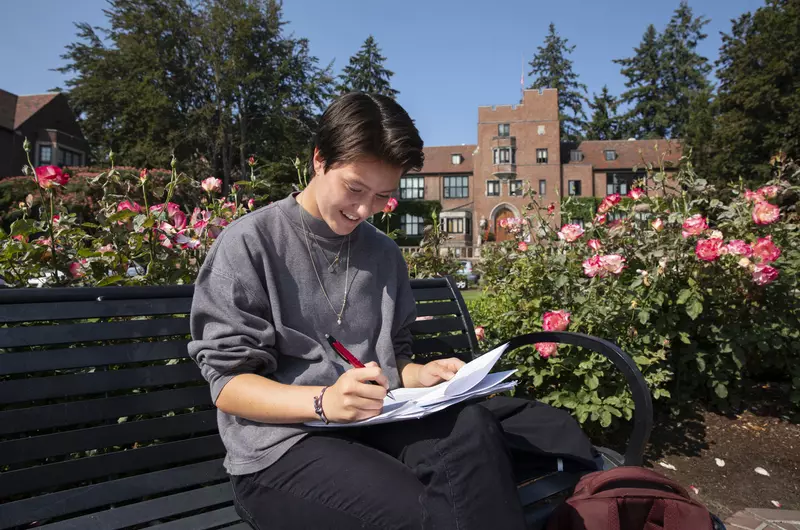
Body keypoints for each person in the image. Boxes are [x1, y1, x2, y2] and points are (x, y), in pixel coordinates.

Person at [188, 92, 596, 530]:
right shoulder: (251, 243)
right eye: (354, 189)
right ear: (319, 160)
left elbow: (394, 356)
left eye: (383, 196)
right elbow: (228, 384)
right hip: (282, 448)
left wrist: (423, 375)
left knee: (473, 428)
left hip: (376, 425)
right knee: (436, 515)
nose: (364, 211)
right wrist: (324, 402)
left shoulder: (382, 252)